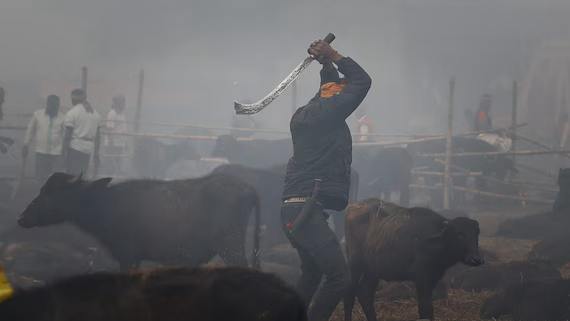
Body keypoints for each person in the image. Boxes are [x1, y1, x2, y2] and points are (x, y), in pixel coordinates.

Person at [280, 40, 371, 321]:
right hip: (306, 210)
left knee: (313, 273)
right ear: (335, 100)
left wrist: (326, 65)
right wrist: (333, 54)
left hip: (296, 210)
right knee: (339, 278)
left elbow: (328, 92)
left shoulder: (311, 112)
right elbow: (363, 81)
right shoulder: (328, 114)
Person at [22, 95, 65, 182]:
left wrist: (64, 152)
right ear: (47, 104)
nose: (53, 107)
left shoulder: (63, 117)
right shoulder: (37, 114)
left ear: (58, 105)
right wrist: (26, 144)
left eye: (55, 105)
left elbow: (65, 135)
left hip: (56, 153)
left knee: (55, 178)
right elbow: (30, 130)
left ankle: (53, 194)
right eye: (51, 104)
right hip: (41, 152)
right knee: (40, 177)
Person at [63, 89, 102, 176]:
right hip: (89, 150)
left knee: (72, 176)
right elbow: (98, 137)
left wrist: (63, 153)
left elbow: (67, 136)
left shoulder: (72, 113)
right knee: (83, 176)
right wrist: (96, 153)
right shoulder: (95, 114)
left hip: (75, 149)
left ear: (73, 99)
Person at [105, 94, 128, 175]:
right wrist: (111, 143)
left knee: (119, 163)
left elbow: (123, 129)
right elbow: (109, 129)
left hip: (120, 143)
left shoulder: (122, 114)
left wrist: (125, 142)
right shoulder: (112, 113)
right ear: (117, 103)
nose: (124, 104)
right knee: (112, 163)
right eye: (122, 102)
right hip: (113, 143)